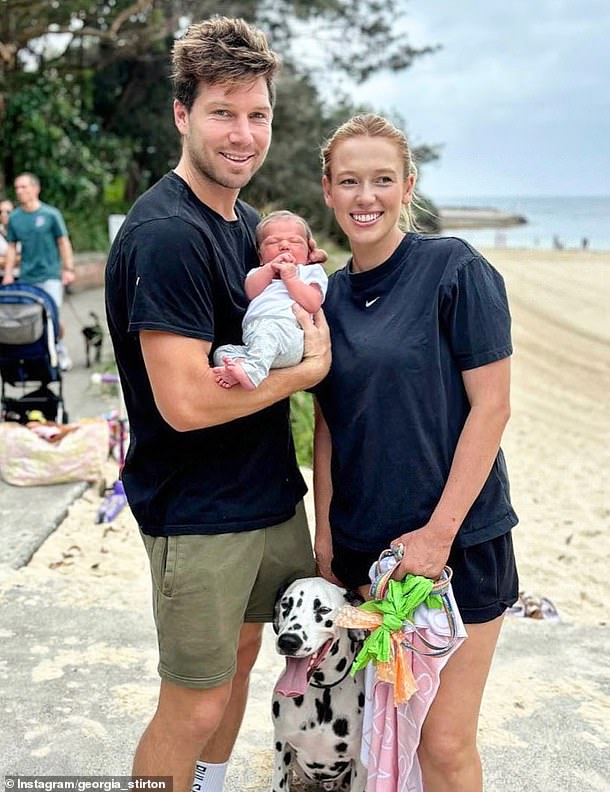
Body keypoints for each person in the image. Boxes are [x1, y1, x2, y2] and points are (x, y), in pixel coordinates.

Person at [104, 17, 330, 792]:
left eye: (257, 114)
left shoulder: (242, 226)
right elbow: (186, 404)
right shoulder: (167, 234)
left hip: (264, 497)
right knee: (191, 706)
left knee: (239, 664)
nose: (243, 133)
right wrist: (305, 375)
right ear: (182, 114)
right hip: (198, 513)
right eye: (222, 112)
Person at [313, 113, 519, 792]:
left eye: (381, 180)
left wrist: (436, 538)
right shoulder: (329, 300)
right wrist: (325, 540)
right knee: (381, 738)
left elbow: (492, 407)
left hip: (455, 553)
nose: (364, 196)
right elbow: (328, 427)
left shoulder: (453, 268)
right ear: (328, 191)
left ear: (407, 187)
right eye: (350, 181)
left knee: (445, 744)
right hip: (366, 558)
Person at [212, 210, 328, 389]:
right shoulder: (259, 273)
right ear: (260, 255)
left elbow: (313, 303)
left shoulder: (309, 272)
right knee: (222, 352)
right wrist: (269, 269)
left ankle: (252, 374)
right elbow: (250, 292)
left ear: (309, 252)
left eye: (295, 241)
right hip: (254, 338)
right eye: (273, 242)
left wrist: (291, 279)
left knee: (268, 333)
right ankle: (243, 369)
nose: (284, 246)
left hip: (286, 334)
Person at [1, 174, 75, 369]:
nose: (19, 191)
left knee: (52, 316)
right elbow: (11, 247)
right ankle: (36, 357)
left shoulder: (51, 215)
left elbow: (63, 242)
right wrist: (8, 274)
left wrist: (68, 268)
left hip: (50, 275)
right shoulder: (15, 218)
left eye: (24, 187)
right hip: (27, 277)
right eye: (17, 188)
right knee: (29, 318)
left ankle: (59, 352)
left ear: (35, 189)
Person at [0, 199, 13, 271]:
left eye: (8, 212)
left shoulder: (23, 231)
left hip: (21, 277)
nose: (3, 215)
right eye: (0, 212)